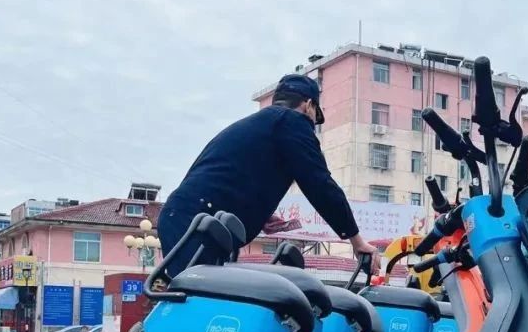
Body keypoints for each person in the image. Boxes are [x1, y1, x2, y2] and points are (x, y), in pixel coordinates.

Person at [158, 74, 377, 279]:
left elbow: (227, 175)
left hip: (192, 218)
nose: (312, 126)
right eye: (315, 117)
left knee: (209, 296)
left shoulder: (263, 124)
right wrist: (356, 241)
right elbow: (320, 184)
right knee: (201, 297)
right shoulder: (292, 121)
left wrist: (259, 214)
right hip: (198, 222)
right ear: (309, 105)